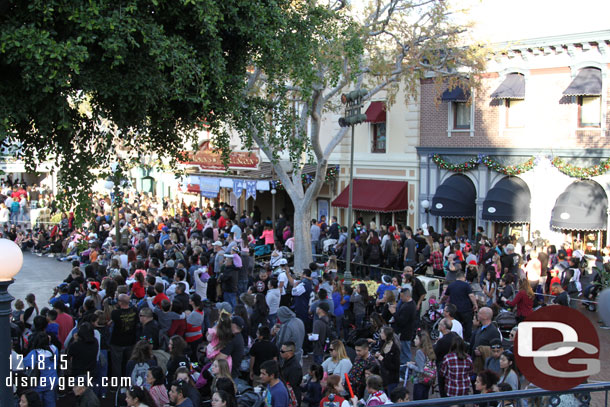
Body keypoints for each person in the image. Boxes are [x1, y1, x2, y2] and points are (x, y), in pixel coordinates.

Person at [24, 332, 59, 407]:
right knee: (51, 403)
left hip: (39, 383)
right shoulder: (54, 349)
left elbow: (25, 363)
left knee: (37, 403)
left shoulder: (34, 353)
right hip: (52, 381)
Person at [442, 271, 478, 342]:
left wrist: (441, 301)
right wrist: (475, 304)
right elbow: (471, 295)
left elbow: (445, 296)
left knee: (455, 325)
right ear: (463, 277)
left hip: (455, 310)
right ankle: (467, 341)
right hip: (466, 310)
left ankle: (456, 340)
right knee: (468, 326)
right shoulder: (466, 285)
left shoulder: (451, 285)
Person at [110, 293, 138, 378]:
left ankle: (118, 383)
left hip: (117, 343)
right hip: (131, 341)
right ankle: (128, 381)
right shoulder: (135, 311)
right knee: (129, 364)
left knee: (117, 365)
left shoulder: (115, 313)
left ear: (120, 303)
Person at [391, 288, 416, 373]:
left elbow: (401, 321)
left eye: (402, 297)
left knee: (405, 353)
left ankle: (405, 372)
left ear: (407, 296)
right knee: (404, 352)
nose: (401, 298)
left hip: (405, 333)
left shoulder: (408, 307)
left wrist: (394, 313)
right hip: (406, 332)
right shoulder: (410, 304)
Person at [406, 329, 436, 400]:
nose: (414, 340)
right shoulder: (428, 350)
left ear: (421, 341)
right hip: (428, 381)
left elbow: (421, 370)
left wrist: (410, 365)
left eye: (416, 338)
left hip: (420, 381)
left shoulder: (419, 352)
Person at [434, 318, 458, 398]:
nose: (438, 326)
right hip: (455, 367)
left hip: (443, 367)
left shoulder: (442, 341)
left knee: (443, 390)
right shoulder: (455, 335)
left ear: (443, 327)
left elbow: (435, 352)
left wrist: (436, 344)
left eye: (440, 324)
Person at [375, 326, 400, 394]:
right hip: (383, 377)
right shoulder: (382, 343)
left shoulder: (395, 349)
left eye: (382, 333)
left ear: (387, 335)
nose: (380, 334)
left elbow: (396, 367)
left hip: (391, 379)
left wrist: (383, 359)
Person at [279, 341, 303, 405]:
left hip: (292, 398)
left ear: (290, 353)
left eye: (282, 351)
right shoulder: (287, 362)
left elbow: (291, 385)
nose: (280, 352)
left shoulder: (295, 367)